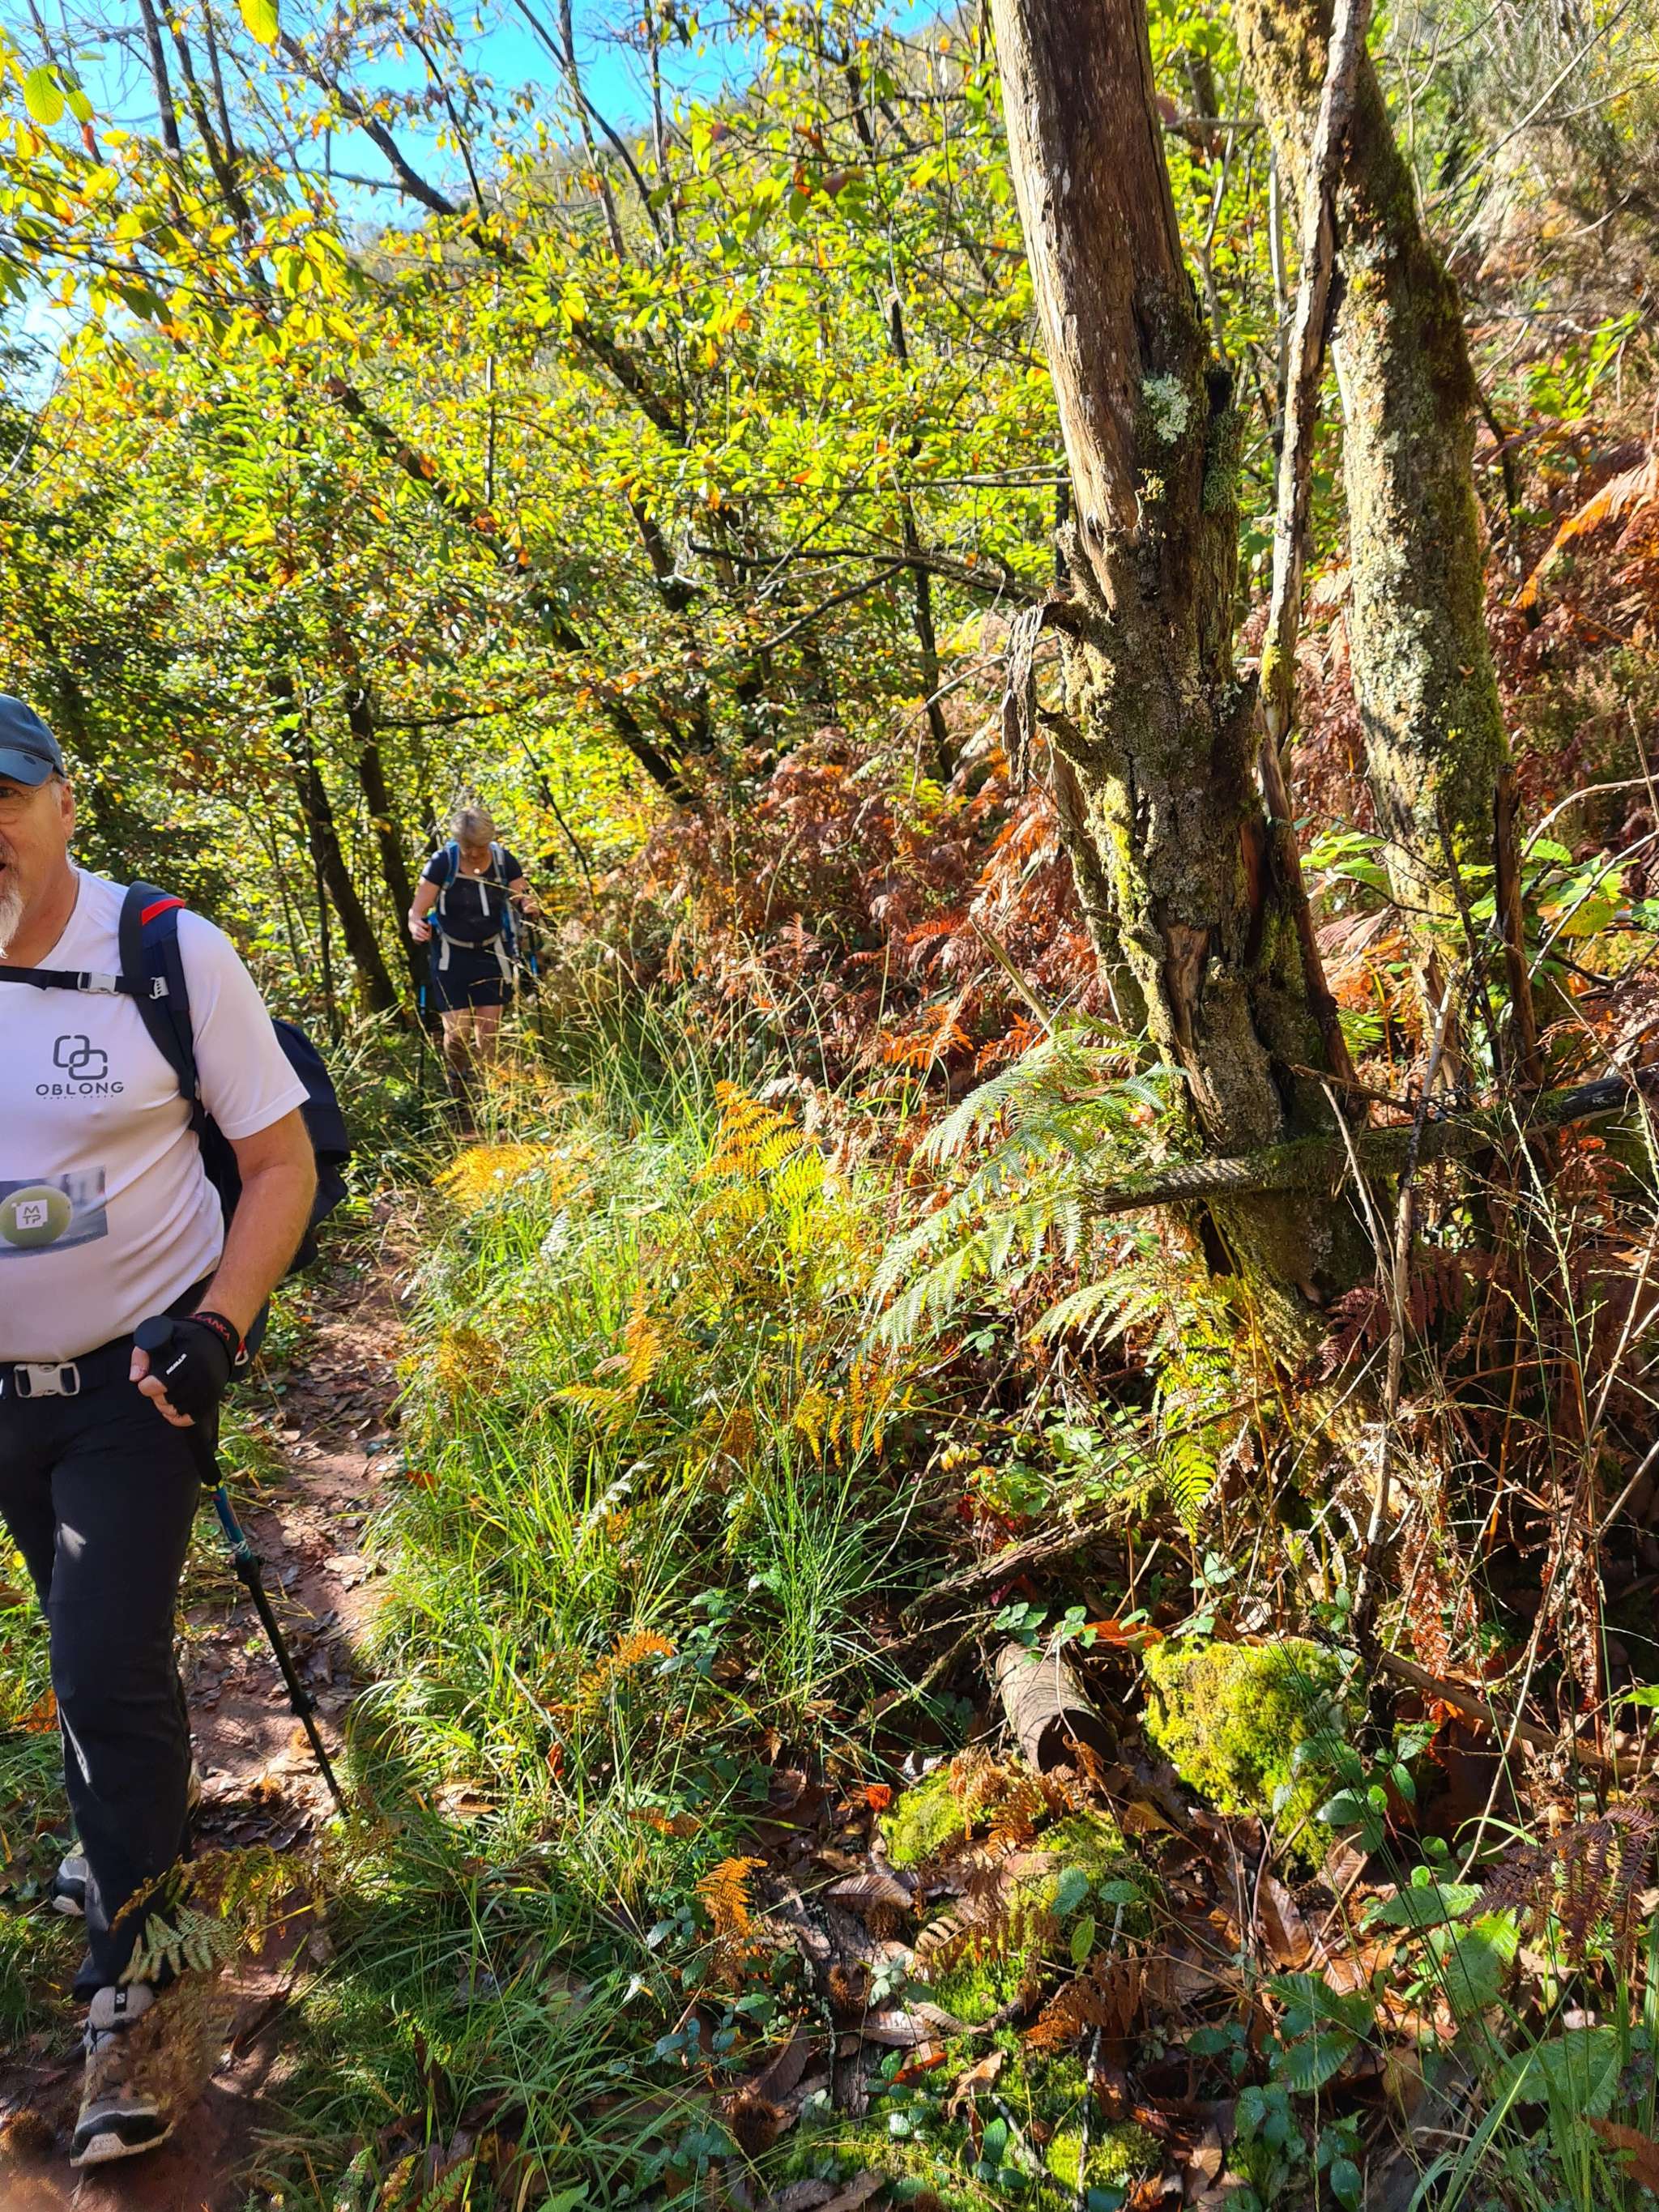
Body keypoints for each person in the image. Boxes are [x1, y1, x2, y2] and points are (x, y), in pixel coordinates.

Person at [0, 697, 318, 2167]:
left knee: (99, 1662)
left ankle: (137, 1987)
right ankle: (120, 1825)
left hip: (132, 1385)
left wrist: (218, 1330)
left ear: (65, 802)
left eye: (5, 799)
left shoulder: (163, 952)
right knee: (81, 1629)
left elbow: (277, 1159)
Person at [407, 806, 540, 1110]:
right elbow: (416, 911)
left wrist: (529, 907)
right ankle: (458, 1077)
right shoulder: (443, 863)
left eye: (480, 846)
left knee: (489, 1030)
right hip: (450, 955)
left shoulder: (504, 861)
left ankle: (490, 1091)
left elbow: (522, 897)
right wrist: (416, 926)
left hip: (492, 951)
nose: (474, 853)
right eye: (467, 847)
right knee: (457, 1034)